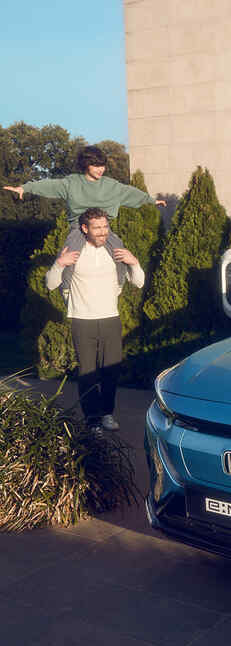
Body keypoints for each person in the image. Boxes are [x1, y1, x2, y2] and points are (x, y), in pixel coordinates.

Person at [3, 145, 164, 297]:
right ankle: (66, 288)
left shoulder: (110, 185)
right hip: (78, 227)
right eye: (96, 166)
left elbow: (130, 192)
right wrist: (25, 188)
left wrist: (150, 200)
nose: (101, 169)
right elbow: (49, 185)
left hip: (102, 228)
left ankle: (119, 284)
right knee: (70, 254)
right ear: (86, 165)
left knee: (118, 249)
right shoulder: (72, 183)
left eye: (102, 165)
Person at [46, 207, 145, 433]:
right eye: (97, 228)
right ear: (84, 229)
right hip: (82, 320)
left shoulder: (115, 250)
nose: (103, 232)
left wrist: (134, 261)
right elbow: (51, 283)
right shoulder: (74, 252)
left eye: (105, 227)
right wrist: (60, 263)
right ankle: (92, 419)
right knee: (88, 371)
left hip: (110, 318)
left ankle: (107, 414)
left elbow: (138, 282)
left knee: (111, 370)